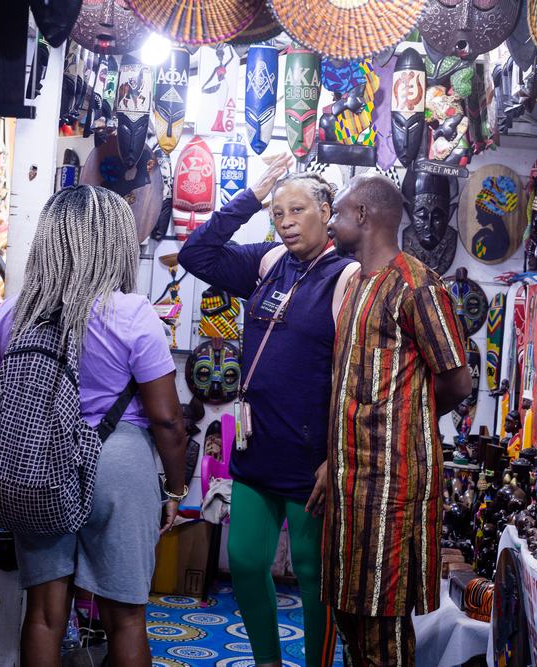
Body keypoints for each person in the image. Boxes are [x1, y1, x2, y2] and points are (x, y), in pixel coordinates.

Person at [0, 186, 186, 667]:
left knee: (44, 614)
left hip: (39, 463)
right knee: (126, 618)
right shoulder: (133, 313)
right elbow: (167, 419)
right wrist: (174, 489)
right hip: (119, 465)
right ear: (116, 243)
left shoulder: (13, 312)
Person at [178, 154, 355, 667]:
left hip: (311, 456)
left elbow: (355, 378)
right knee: (246, 560)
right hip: (256, 445)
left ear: (326, 212)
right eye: (277, 213)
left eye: (297, 210)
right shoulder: (269, 263)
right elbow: (197, 253)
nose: (286, 222)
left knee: (312, 573)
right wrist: (251, 198)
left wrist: (336, 456)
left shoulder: (346, 277)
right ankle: (267, 662)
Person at [324, 173, 471, 666]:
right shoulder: (356, 283)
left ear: (363, 215)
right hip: (350, 483)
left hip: (393, 487)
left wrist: (405, 420)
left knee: (382, 630)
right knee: (350, 617)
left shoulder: (417, 285)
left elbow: (457, 382)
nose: (331, 221)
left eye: (338, 212)